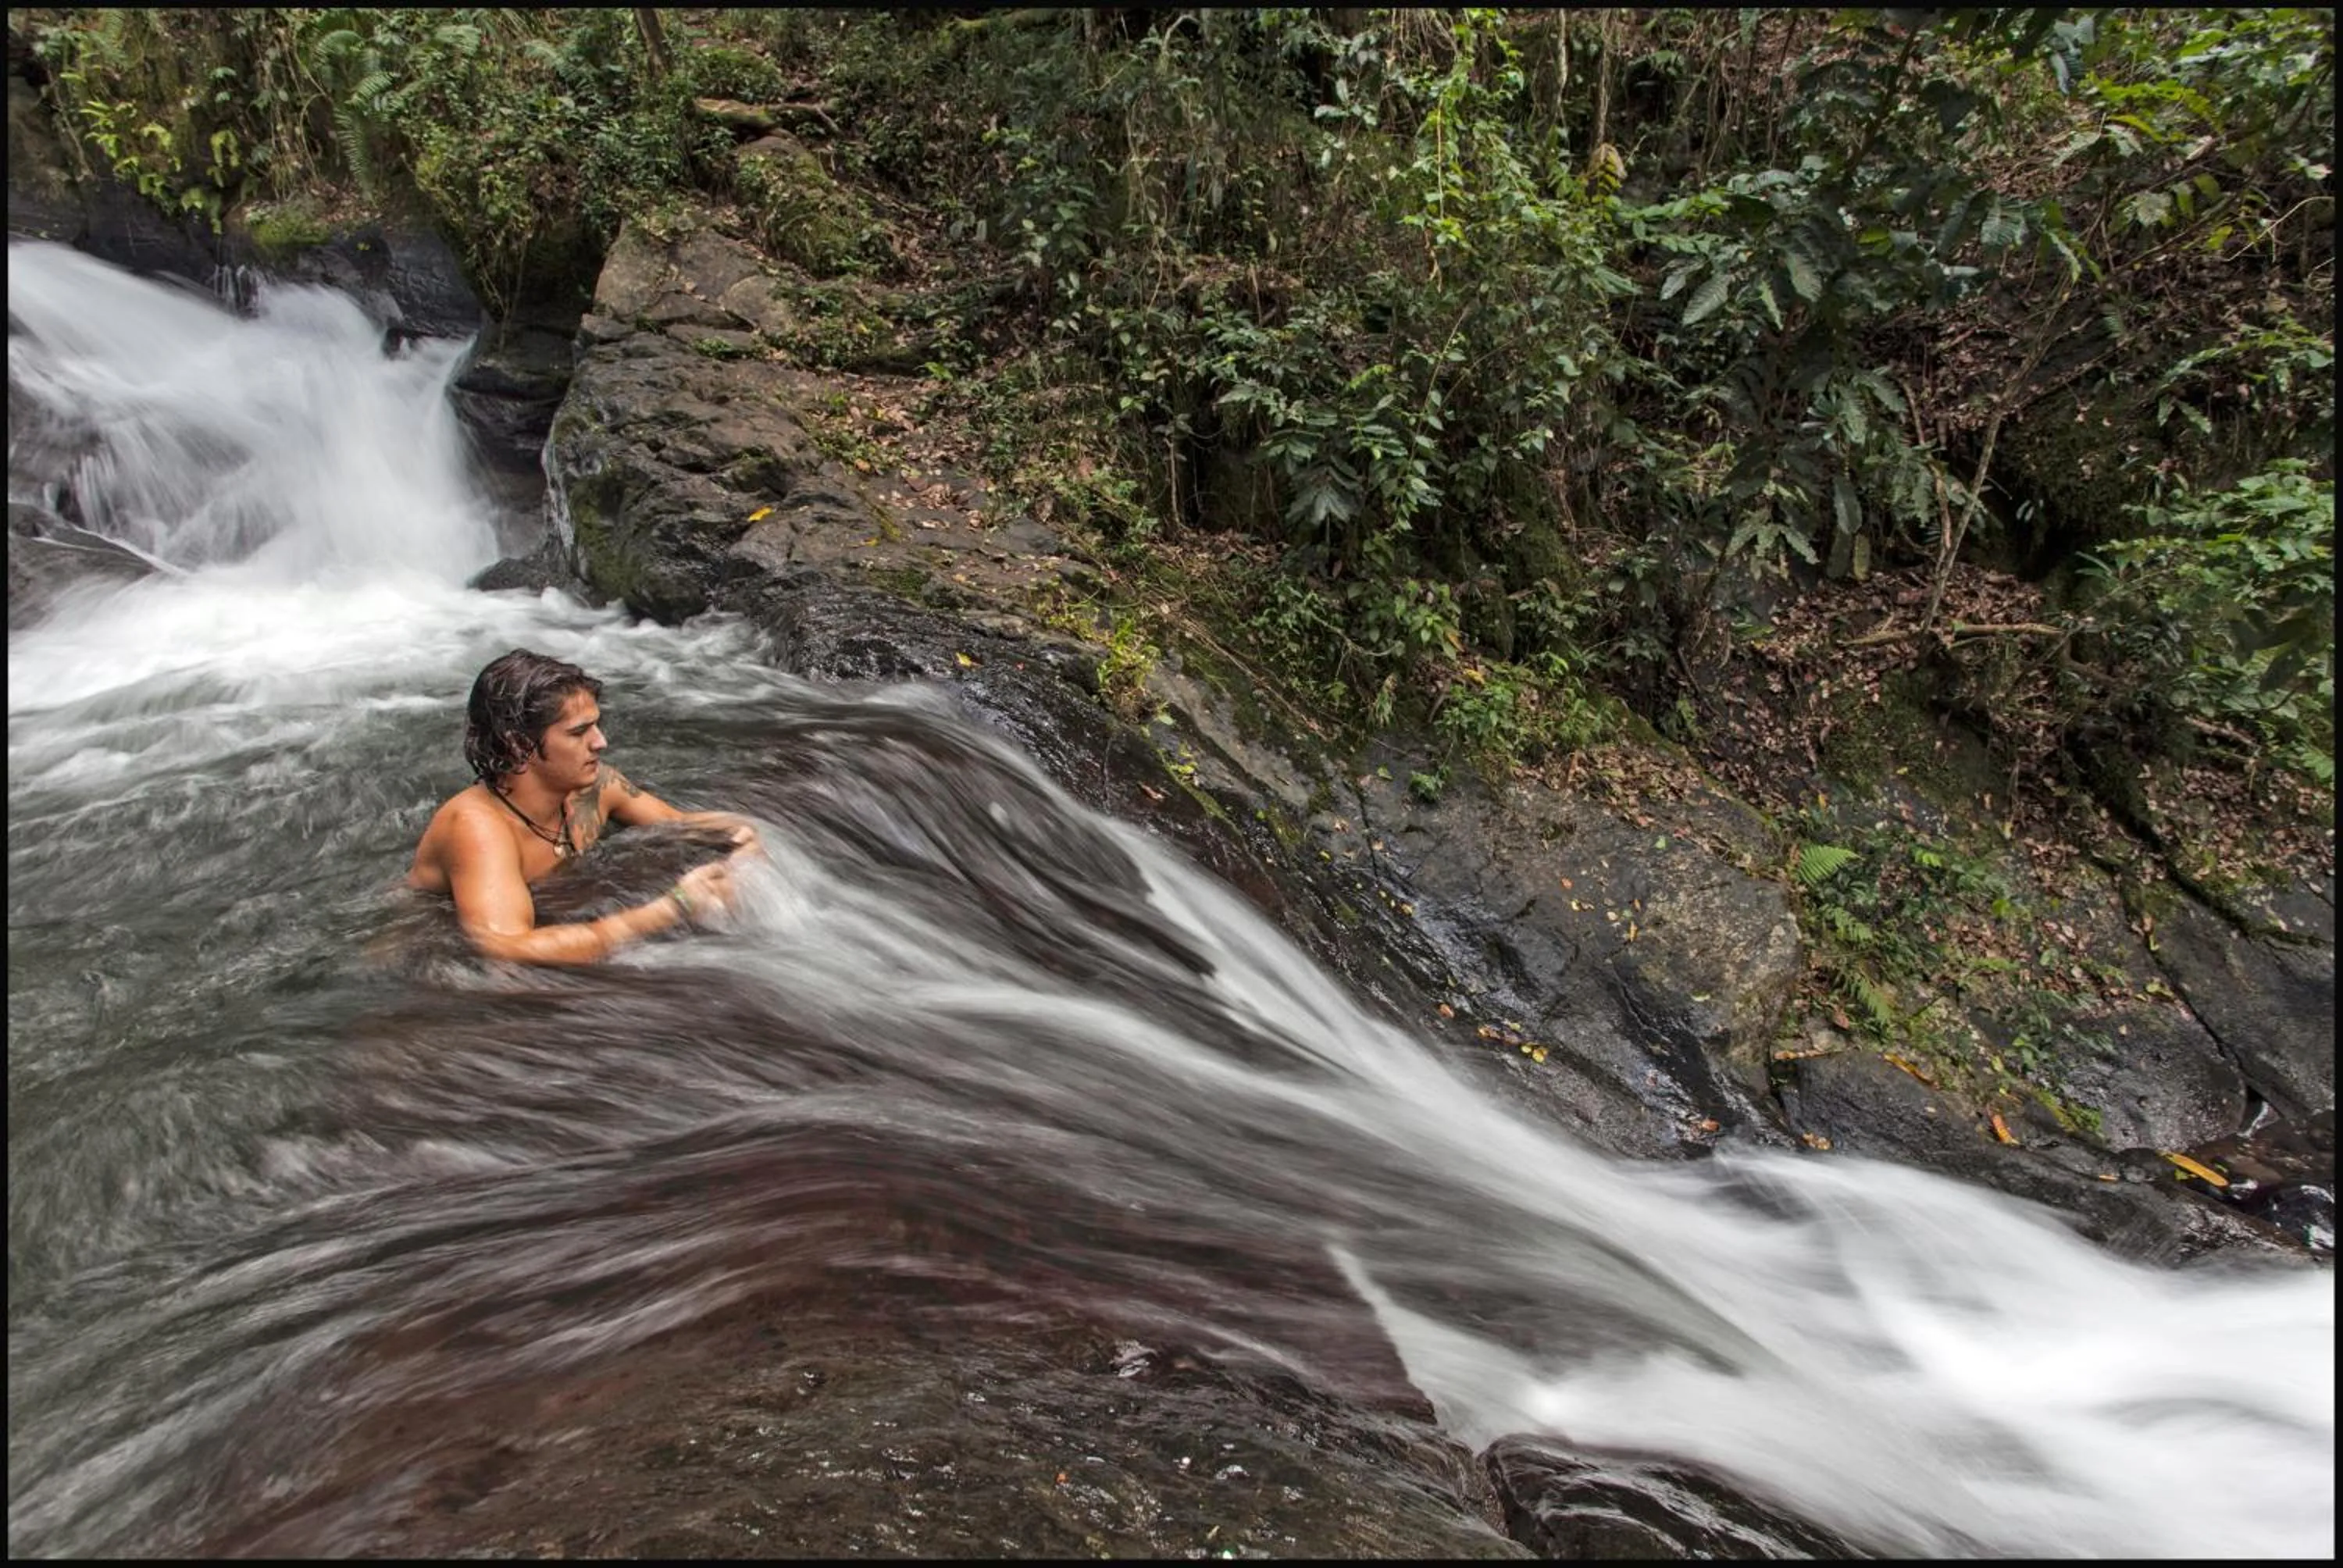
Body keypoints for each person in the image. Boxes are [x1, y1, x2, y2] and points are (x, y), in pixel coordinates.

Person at [408, 648, 758, 964]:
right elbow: (508, 949)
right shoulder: (476, 827)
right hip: (430, 955)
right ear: (518, 746)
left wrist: (743, 836)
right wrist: (673, 907)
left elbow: (679, 824)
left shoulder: (596, 787)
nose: (600, 742)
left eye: (596, 726)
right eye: (579, 733)